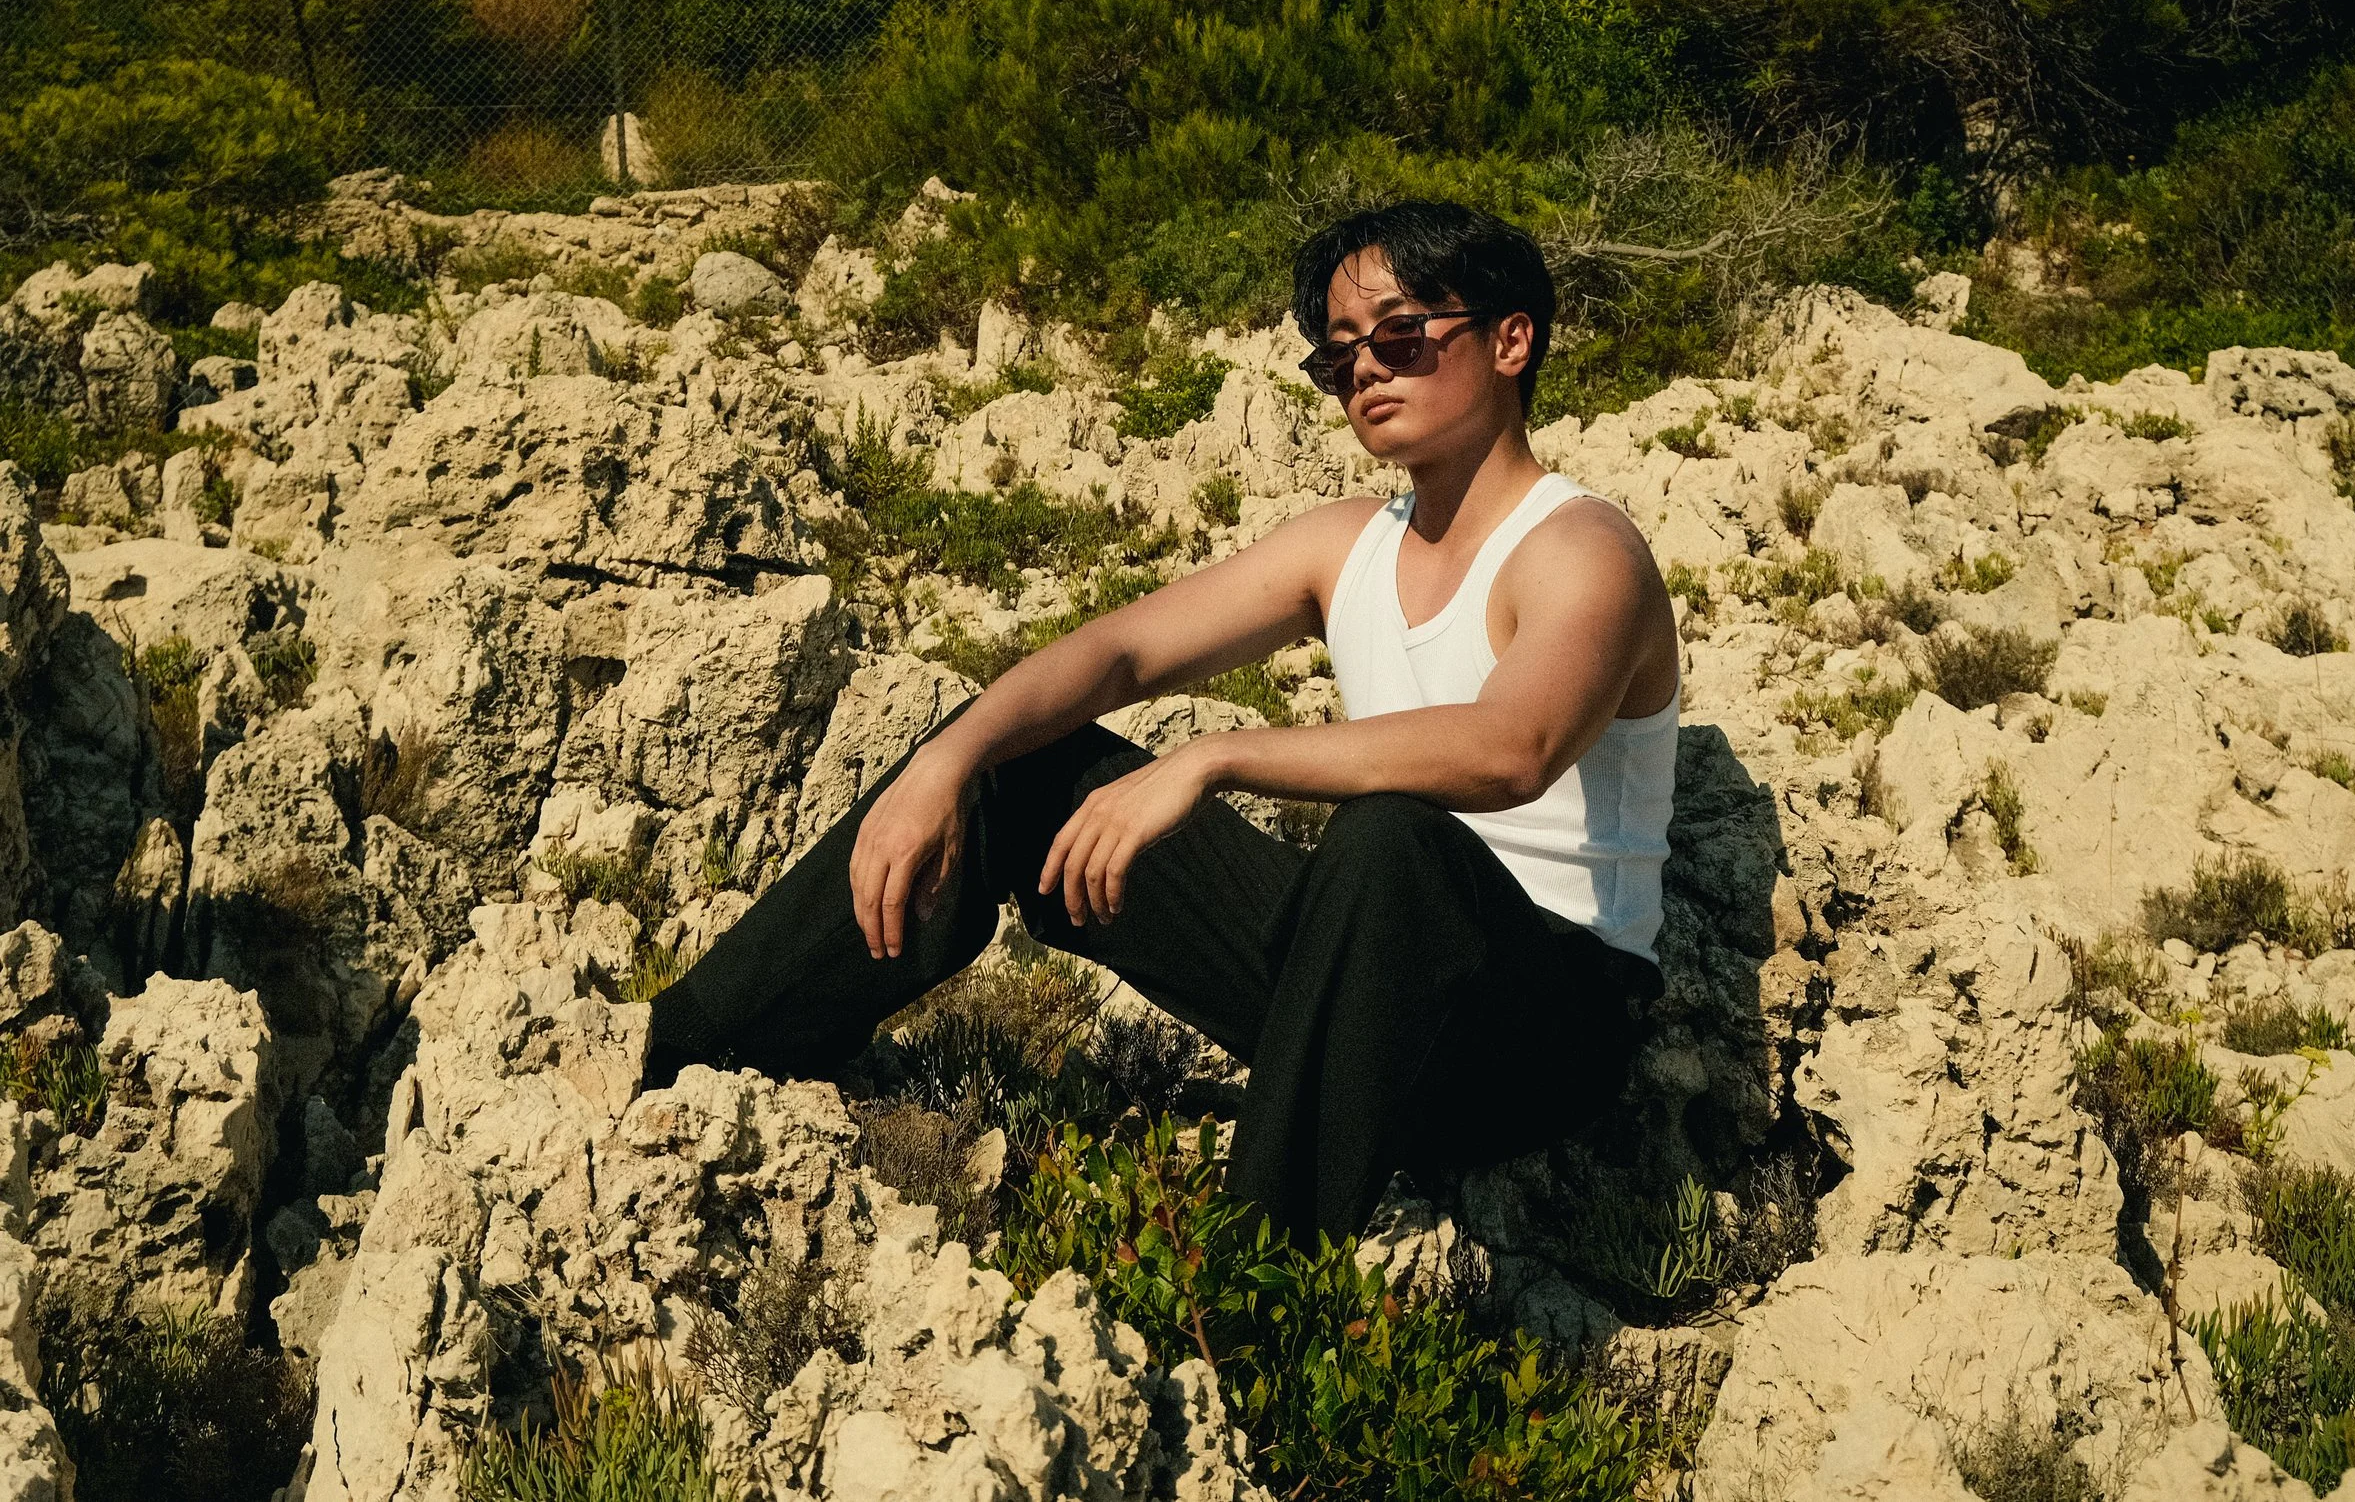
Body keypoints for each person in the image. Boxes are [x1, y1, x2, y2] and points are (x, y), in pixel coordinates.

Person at [646, 200, 1684, 1250]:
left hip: (1544, 1026)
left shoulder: (1581, 547)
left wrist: (1217, 756)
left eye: (1400, 338)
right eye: (1337, 359)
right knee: (1026, 755)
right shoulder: (1346, 545)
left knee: (1387, 839)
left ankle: (1251, 1298)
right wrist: (946, 756)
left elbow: (1515, 747)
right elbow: (1120, 653)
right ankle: (691, 1060)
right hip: (1360, 979)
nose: (1366, 372)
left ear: (1510, 339)